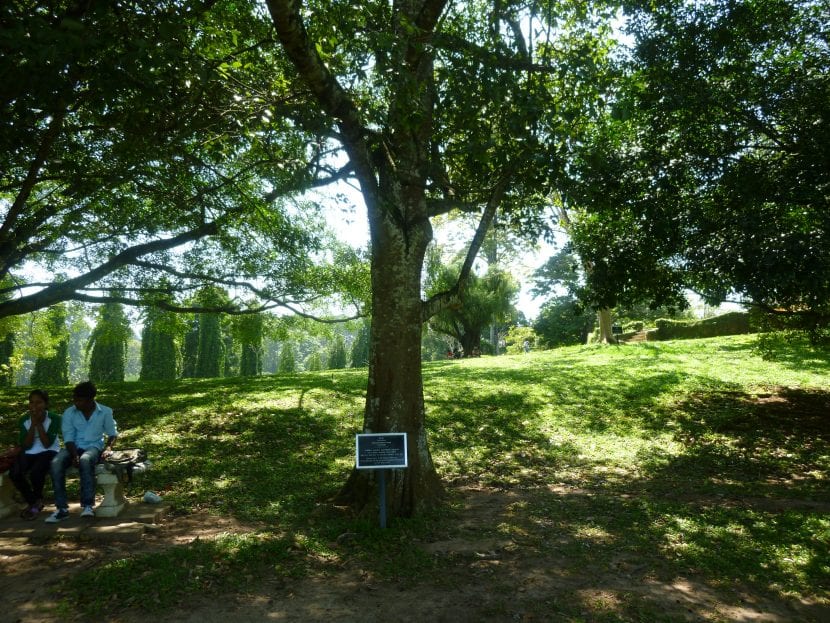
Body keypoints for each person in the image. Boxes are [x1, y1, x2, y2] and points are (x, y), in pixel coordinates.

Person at [45, 381, 117, 523]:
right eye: (75, 399)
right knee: (56, 462)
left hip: (94, 446)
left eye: (79, 400)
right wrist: (74, 455)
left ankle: (87, 505)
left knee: (85, 460)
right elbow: (69, 437)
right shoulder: (69, 413)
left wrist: (108, 448)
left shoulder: (105, 412)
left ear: (90, 399)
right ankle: (61, 509)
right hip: (73, 447)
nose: (76, 402)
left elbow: (112, 434)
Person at [9, 389, 61, 520]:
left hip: (49, 451)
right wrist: (33, 424)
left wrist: (39, 423)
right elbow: (26, 445)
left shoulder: (54, 418)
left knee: (36, 472)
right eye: (31, 403)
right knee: (15, 473)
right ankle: (34, 502)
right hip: (30, 450)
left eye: (39, 403)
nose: (34, 406)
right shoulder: (24, 420)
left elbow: (46, 444)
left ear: (46, 404)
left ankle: (35, 503)